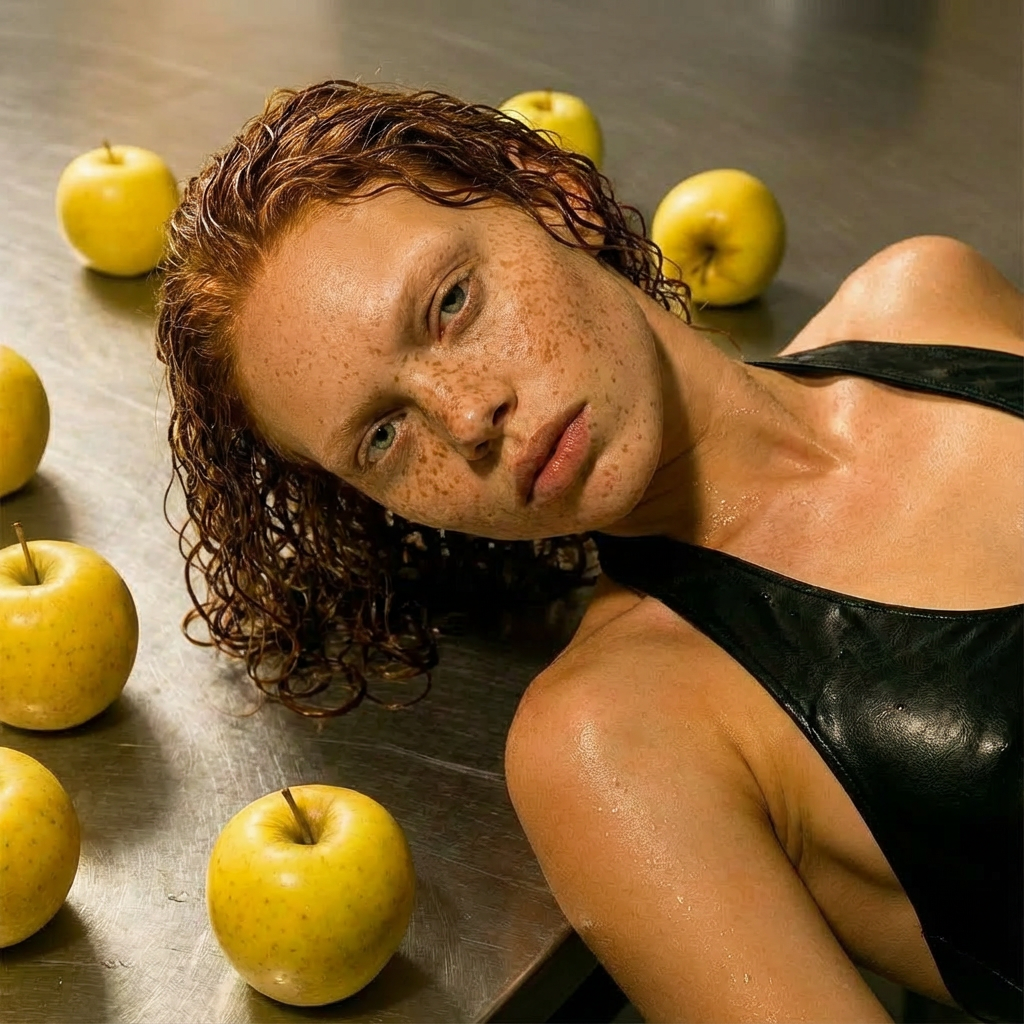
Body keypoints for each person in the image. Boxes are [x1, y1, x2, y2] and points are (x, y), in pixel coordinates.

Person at [155, 79, 1022, 1023]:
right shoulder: (617, 741)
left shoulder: (930, 296)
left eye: (451, 303)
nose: (466, 414)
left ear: (554, 197)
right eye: (382, 436)